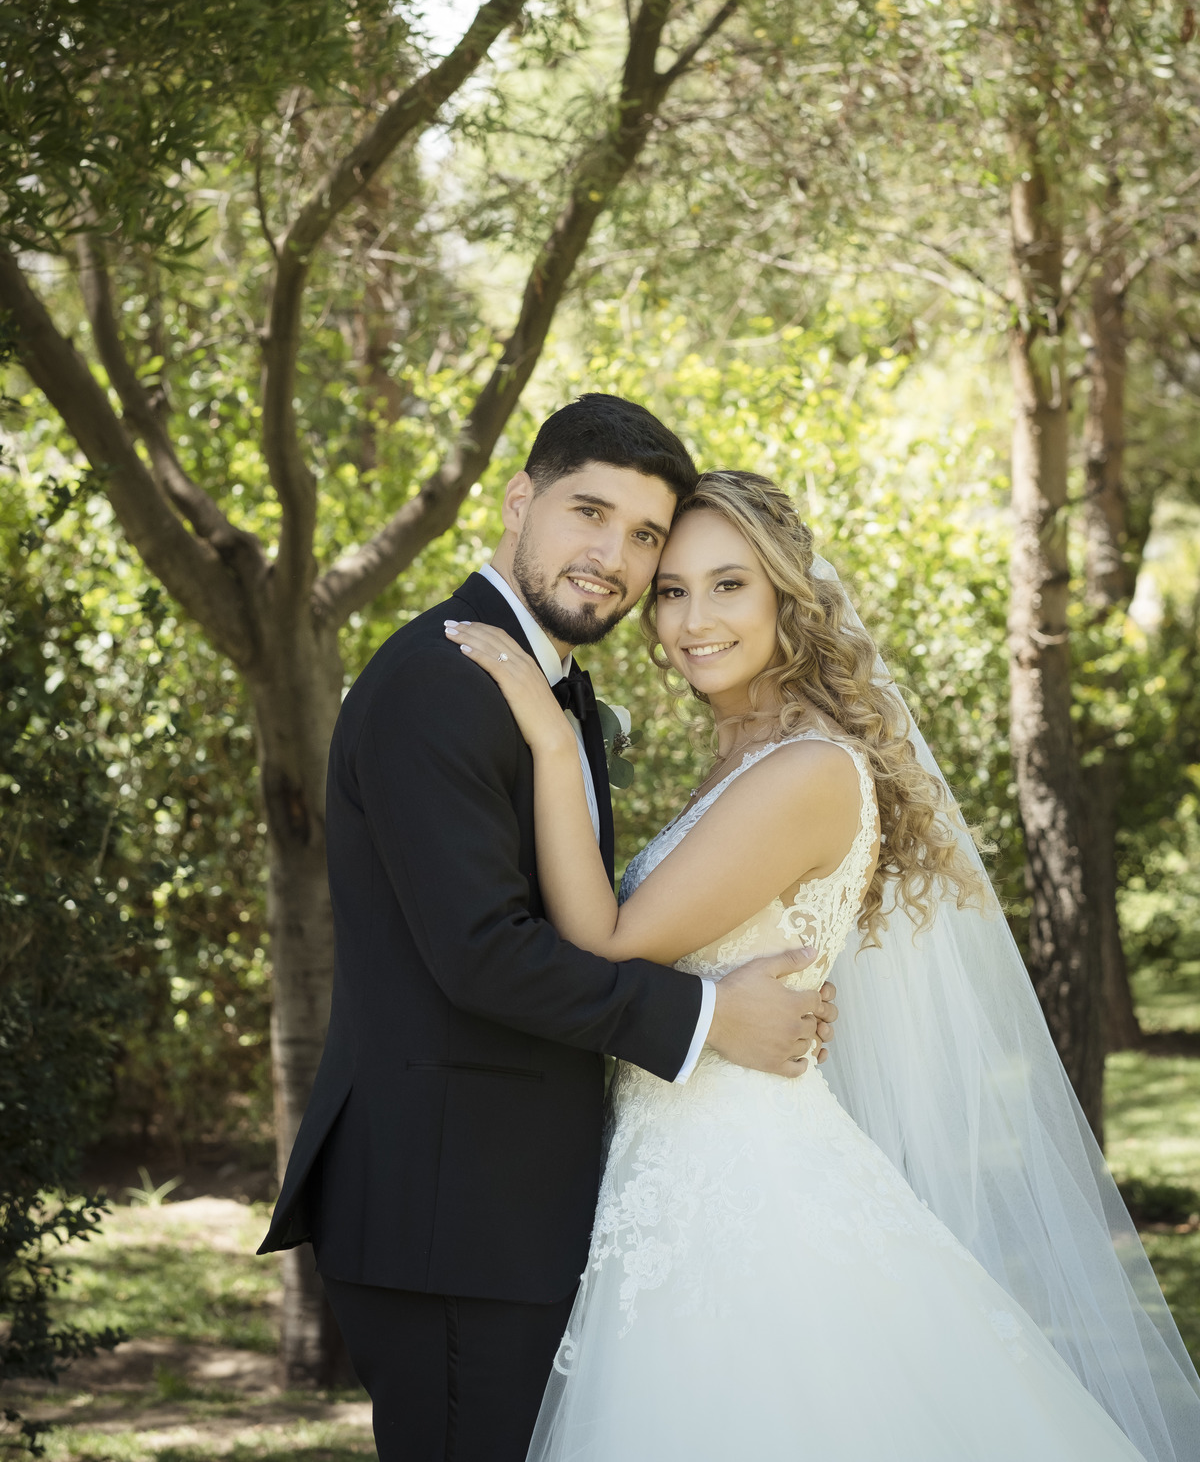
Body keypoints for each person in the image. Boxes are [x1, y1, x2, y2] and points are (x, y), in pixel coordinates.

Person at [447, 467, 1200, 1462]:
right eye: (670, 590)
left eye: (729, 586)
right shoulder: (745, 763)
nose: (690, 619)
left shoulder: (806, 770)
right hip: (679, 1173)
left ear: (786, 600)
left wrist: (547, 737)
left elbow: (605, 945)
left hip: (747, 1197)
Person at [257, 400, 837, 1462]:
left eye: (644, 537)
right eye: (589, 513)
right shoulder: (444, 681)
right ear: (520, 500)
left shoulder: (544, 691)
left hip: (502, 1212)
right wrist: (710, 1017)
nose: (613, 558)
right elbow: (485, 953)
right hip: (450, 1221)